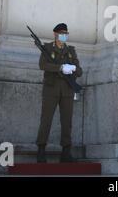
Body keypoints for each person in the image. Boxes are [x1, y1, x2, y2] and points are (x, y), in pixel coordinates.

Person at [35, 23, 83, 163]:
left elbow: (80, 71)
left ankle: (66, 152)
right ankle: (41, 149)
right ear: (55, 34)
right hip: (51, 89)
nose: (64, 36)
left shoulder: (71, 50)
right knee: (46, 120)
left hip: (67, 90)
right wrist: (60, 68)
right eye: (61, 33)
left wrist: (73, 68)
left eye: (66, 33)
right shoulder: (47, 48)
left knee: (67, 121)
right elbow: (43, 65)